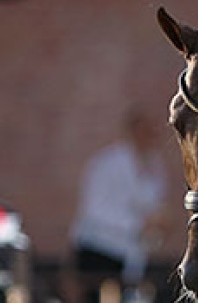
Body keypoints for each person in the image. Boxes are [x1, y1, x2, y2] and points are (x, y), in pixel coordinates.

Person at [69, 108, 168, 303]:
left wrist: (158, 226)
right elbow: (94, 209)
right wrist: (138, 224)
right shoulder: (106, 163)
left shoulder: (156, 166)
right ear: (131, 131)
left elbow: (152, 205)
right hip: (98, 248)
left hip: (133, 253)